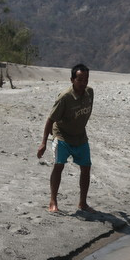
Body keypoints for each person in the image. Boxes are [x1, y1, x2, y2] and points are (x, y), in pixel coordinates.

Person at [36, 63, 94, 213]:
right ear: (72, 80)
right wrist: (43, 143)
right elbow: (50, 119)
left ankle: (82, 203)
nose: (83, 83)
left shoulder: (90, 93)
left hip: (80, 136)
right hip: (62, 136)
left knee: (86, 168)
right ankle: (53, 201)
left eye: (86, 79)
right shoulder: (65, 97)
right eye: (80, 80)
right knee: (59, 165)